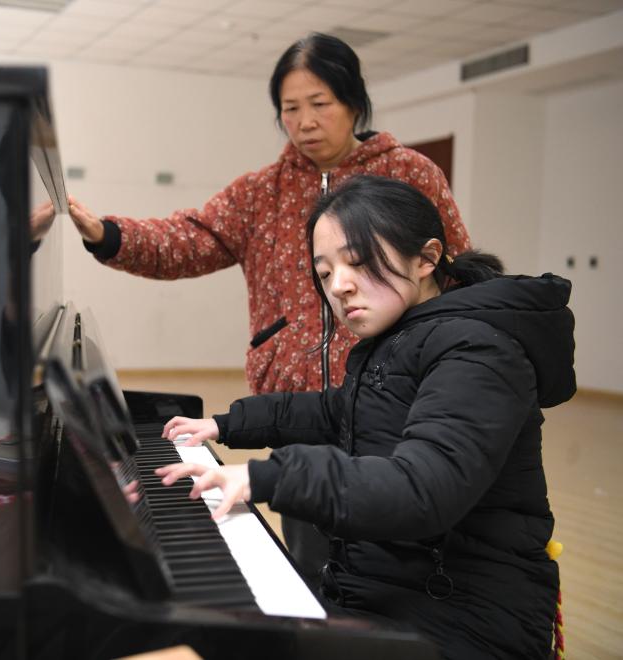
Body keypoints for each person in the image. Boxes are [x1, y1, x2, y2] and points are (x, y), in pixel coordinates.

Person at [33, 30, 475, 592]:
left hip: (394, 401)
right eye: (290, 109)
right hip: (298, 415)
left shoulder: (409, 173)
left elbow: (455, 270)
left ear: (354, 102)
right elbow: (187, 240)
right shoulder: (261, 191)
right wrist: (107, 233)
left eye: (320, 104)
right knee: (314, 564)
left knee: (397, 557)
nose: (304, 122)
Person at [156, 175, 574, 660]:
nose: (339, 286)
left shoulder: (478, 350)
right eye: (325, 272)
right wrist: (225, 425)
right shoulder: (401, 340)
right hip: (387, 589)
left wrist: (266, 477)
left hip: (462, 618)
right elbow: (335, 410)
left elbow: (424, 488)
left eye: (357, 261)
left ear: (427, 258)